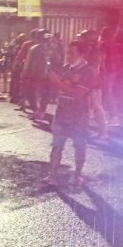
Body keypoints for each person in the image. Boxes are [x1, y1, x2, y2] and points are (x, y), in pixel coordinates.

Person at [45, 41, 97, 186]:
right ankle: (52, 176)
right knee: (57, 145)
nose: (68, 55)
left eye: (72, 52)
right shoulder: (65, 68)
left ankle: (78, 175)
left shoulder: (88, 71)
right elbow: (59, 88)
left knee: (79, 145)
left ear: (82, 54)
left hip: (79, 115)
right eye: (68, 52)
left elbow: (79, 94)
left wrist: (58, 83)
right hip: (62, 112)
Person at [22, 29, 61, 121]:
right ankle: (41, 111)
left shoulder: (34, 49)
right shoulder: (53, 49)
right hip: (48, 77)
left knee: (31, 94)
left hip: (35, 76)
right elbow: (58, 62)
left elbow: (28, 64)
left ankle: (36, 111)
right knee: (45, 95)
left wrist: (24, 75)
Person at [77, 29, 108, 139]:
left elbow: (91, 67)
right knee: (88, 106)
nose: (80, 39)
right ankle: (85, 129)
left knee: (96, 106)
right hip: (91, 81)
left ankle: (103, 132)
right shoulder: (93, 49)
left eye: (82, 37)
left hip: (91, 82)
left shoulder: (92, 50)